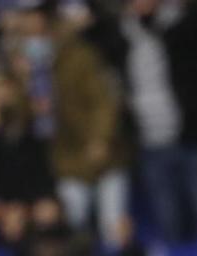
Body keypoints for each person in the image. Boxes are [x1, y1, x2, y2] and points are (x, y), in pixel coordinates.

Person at [14, 0, 130, 238]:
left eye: (34, 15)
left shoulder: (79, 54)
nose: (29, 22)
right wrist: (23, 83)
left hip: (102, 155)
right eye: (25, 15)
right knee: (73, 225)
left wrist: (101, 138)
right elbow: (22, 115)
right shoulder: (25, 58)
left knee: (114, 227)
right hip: (64, 156)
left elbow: (103, 100)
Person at [118, 0, 197, 243]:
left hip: (195, 136)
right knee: (167, 219)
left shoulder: (184, 24)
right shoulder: (121, 35)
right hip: (151, 140)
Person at [0, 75, 56, 214]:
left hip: (28, 204)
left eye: (7, 102)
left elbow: (43, 182)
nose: (3, 107)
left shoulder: (35, 142)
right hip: (0, 204)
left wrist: (26, 205)